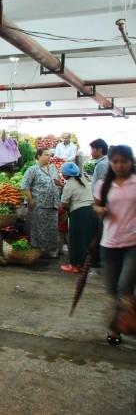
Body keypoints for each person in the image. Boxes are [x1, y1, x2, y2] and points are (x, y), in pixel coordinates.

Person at [92, 145, 136, 346]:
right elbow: (96, 204)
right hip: (109, 243)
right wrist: (99, 209)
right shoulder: (103, 184)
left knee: (124, 287)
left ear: (131, 162)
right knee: (111, 290)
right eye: (115, 161)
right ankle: (125, 318)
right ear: (110, 162)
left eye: (124, 161)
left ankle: (116, 327)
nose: (119, 165)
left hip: (133, 244)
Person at [21, 148, 62, 258]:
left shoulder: (52, 168)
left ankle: (52, 252)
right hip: (39, 205)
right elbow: (25, 186)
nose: (49, 157)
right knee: (39, 229)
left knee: (52, 229)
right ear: (38, 156)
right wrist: (30, 199)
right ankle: (39, 252)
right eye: (46, 155)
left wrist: (59, 183)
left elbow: (55, 181)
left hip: (53, 204)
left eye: (50, 155)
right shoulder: (32, 170)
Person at [59, 162, 97, 273]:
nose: (62, 175)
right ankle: (84, 264)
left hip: (79, 213)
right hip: (91, 211)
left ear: (65, 175)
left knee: (75, 240)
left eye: (62, 173)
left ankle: (75, 265)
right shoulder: (82, 179)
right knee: (85, 239)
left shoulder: (69, 185)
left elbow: (63, 204)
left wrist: (59, 214)